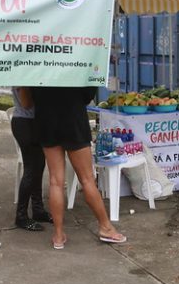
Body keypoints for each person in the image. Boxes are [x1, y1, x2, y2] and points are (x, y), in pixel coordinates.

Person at [31, 86, 126, 249]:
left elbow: (30, 97)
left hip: (46, 120)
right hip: (73, 119)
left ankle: (59, 235)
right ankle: (106, 227)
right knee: (87, 179)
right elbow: (87, 94)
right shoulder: (77, 61)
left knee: (55, 181)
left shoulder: (39, 62)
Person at [11, 86, 52, 231]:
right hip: (24, 123)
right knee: (31, 168)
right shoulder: (24, 75)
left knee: (39, 165)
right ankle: (21, 216)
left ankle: (38, 209)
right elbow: (26, 103)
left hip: (34, 122)